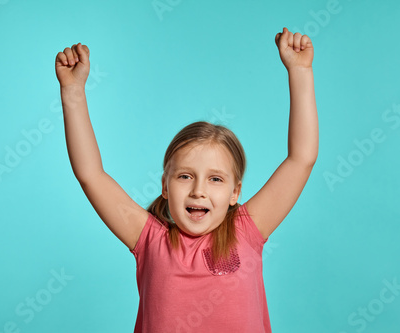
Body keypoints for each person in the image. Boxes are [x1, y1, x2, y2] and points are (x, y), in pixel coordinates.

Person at [55, 26, 318, 333]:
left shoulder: (246, 232)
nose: (198, 191)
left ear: (236, 192)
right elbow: (91, 175)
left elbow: (302, 159)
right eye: (184, 176)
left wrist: (300, 71)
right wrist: (72, 92)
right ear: (165, 186)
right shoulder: (151, 241)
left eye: (215, 180)